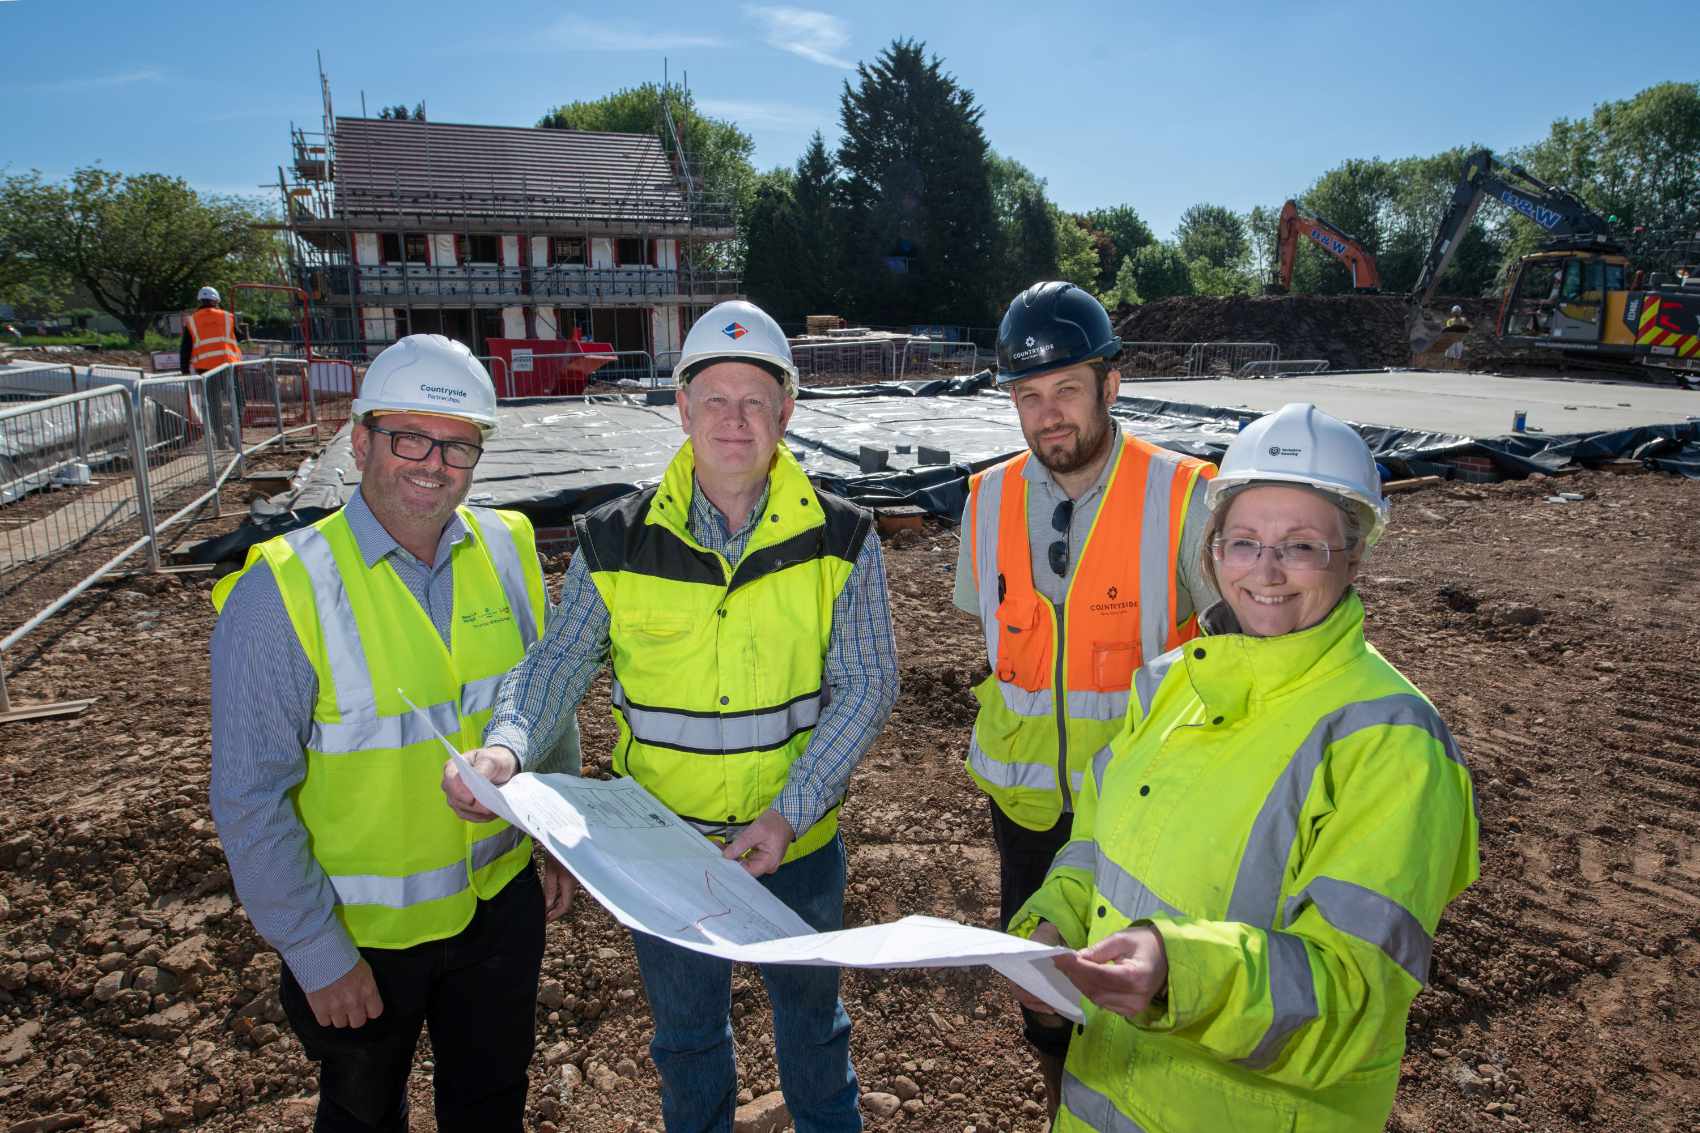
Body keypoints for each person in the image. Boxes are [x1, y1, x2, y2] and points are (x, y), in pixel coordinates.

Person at [447, 299, 900, 1133]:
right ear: (682, 409)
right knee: (688, 1038)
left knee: (813, 1023)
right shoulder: (616, 539)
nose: (735, 419)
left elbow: (870, 680)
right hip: (660, 849)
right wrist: (507, 749)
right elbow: (558, 663)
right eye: (715, 399)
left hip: (793, 844)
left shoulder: (841, 536)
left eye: (756, 399)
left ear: (787, 411)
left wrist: (789, 811)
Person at [1006, 402, 1479, 1133]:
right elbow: (1096, 847)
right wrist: (1052, 923)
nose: (1265, 571)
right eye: (1243, 541)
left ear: (1355, 555)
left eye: (1301, 546)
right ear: (1212, 548)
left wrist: (1177, 970)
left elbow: (1349, 997)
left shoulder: (1391, 743)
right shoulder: (1167, 685)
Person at [210, 334, 576, 1132]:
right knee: (361, 1116)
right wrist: (315, 950)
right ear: (361, 436)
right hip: (362, 938)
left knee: (491, 1105)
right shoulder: (283, 589)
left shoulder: (510, 548)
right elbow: (249, 797)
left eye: (457, 445)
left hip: (497, 910)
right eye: (410, 437)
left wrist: (552, 839)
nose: (432, 463)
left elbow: (545, 704)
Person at [953, 281, 1217, 1116]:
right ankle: (1063, 1105)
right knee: (1046, 994)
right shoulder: (986, 499)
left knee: (1144, 995)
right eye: (1028, 396)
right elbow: (998, 641)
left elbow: (1235, 658)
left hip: (1149, 811)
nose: (1048, 415)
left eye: (1067, 388)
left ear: (1111, 384)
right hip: (1026, 809)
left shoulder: (1185, 495)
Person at [180, 285, 243, 448]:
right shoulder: (227, 317)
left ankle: (221, 439)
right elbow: (239, 336)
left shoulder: (192, 321)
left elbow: (185, 348)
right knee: (238, 402)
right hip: (227, 367)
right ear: (217, 300)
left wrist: (185, 370)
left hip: (206, 370)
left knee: (213, 406)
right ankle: (234, 433)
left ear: (200, 301)